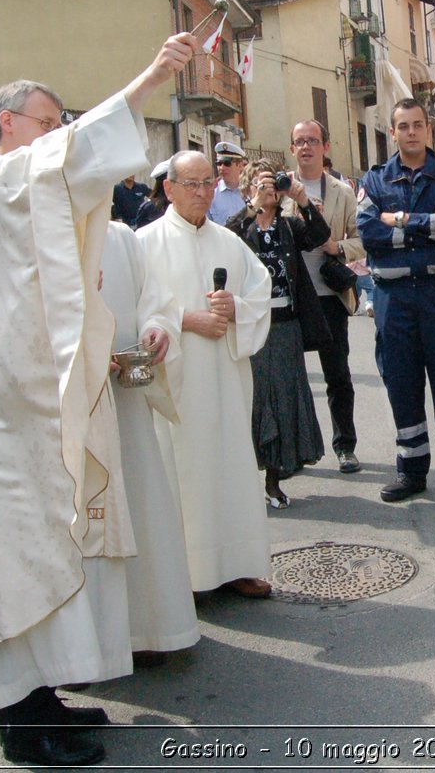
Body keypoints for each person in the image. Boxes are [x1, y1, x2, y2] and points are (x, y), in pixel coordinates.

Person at [0, 32, 193, 767]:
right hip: (4, 414)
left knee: (55, 547)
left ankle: (44, 693)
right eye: (47, 121)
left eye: (60, 122)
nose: (58, 134)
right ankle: (19, 724)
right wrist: (148, 76)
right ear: (8, 126)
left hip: (36, 402)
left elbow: (76, 172)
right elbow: (77, 158)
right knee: (18, 554)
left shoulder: (24, 184)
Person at [136, 150, 275, 598]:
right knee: (184, 475)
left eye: (207, 183)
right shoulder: (144, 243)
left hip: (225, 378)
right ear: (169, 189)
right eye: (190, 184)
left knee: (231, 465)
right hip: (176, 382)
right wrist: (185, 320)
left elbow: (260, 291)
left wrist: (237, 308)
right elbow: (132, 307)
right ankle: (187, 577)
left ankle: (237, 563)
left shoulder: (228, 241)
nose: (201, 192)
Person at [355, 98, 435, 507]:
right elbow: (369, 233)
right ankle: (412, 471)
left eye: (417, 125)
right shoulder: (374, 181)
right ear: (392, 132)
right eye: (402, 126)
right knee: (402, 385)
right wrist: (431, 223)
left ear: (428, 129)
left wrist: (403, 220)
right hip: (393, 299)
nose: (411, 132)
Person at [98, 224, 199, 663]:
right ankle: (91, 646)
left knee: (139, 502)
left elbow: (155, 300)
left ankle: (149, 628)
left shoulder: (120, 237)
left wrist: (157, 328)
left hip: (125, 401)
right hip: (74, 410)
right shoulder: (45, 229)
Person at [225, 161, 329, 507]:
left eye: (272, 183)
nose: (269, 189)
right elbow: (226, 239)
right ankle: (244, 478)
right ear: (248, 189)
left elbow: (319, 236)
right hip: (249, 324)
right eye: (261, 183)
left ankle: (273, 480)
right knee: (253, 403)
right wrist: (253, 207)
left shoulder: (289, 226)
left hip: (284, 324)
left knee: (283, 402)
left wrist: (301, 199)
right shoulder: (241, 226)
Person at [290, 119, 365, 472]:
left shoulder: (342, 191)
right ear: (292, 149)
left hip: (331, 296)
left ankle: (345, 447)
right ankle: (297, 448)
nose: (306, 147)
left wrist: (338, 246)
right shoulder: (280, 189)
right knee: (292, 378)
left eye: (313, 140)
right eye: (300, 141)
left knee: (337, 376)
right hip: (292, 300)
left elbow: (361, 240)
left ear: (325, 147)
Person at [208, 140, 248, 225]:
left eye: (227, 163)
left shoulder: (250, 191)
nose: (221, 168)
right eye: (219, 163)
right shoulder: (211, 193)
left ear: (240, 165)